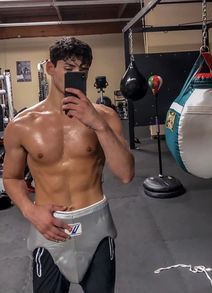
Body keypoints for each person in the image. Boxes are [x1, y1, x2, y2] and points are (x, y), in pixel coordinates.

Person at [3, 36, 135, 293]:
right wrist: (31, 212)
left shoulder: (105, 116)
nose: (77, 76)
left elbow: (126, 174)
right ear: (50, 68)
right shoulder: (22, 125)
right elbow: (11, 179)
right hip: (48, 226)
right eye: (69, 69)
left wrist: (97, 124)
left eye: (83, 71)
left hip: (96, 225)